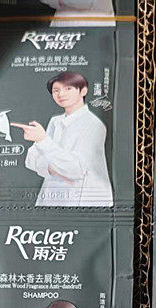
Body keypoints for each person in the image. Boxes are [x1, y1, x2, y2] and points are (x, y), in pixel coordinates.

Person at [12, 72, 113, 207]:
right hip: (50, 199)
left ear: (83, 91)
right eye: (56, 90)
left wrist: (43, 141)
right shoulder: (55, 121)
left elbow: (75, 170)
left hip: (83, 202)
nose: (61, 94)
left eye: (68, 88)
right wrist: (53, 168)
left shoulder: (93, 124)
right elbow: (30, 159)